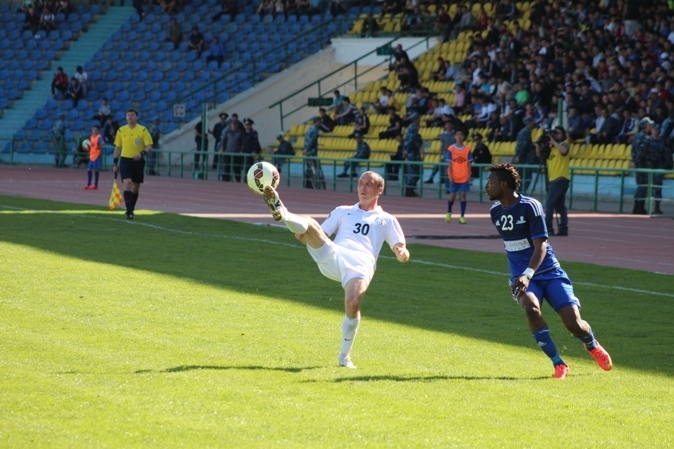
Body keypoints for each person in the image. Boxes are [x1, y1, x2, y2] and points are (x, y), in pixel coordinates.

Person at [261, 171, 410, 368]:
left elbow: (400, 247)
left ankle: (344, 357)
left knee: (353, 303)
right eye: (360, 183)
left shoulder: (387, 219)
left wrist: (402, 253)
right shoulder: (343, 211)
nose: (363, 187)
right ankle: (282, 211)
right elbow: (319, 235)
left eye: (369, 184)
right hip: (335, 254)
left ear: (379, 189)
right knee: (310, 223)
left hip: (361, 265)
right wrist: (305, 235)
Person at [485, 162, 613, 379]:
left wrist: (527, 274)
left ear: (504, 185)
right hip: (522, 278)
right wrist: (522, 276)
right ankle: (558, 364)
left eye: (490, 182)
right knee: (532, 310)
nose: (486, 186)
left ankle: (591, 344)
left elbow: (541, 246)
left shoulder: (530, 206)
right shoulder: (495, 212)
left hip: (549, 273)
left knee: (574, 324)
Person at [112, 109, 154, 220]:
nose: (130, 117)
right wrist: (115, 163)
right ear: (126, 117)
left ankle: (131, 208)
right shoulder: (121, 130)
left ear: (137, 117)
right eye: (128, 115)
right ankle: (129, 211)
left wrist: (141, 153)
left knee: (135, 188)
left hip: (138, 161)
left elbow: (149, 146)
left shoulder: (143, 130)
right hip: (125, 160)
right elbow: (117, 148)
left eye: (132, 115)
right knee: (127, 183)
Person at [535, 126, 569, 236]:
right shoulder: (552, 148)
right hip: (554, 179)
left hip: (560, 178)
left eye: (558, 133)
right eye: (554, 133)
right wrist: (538, 144)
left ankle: (548, 227)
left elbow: (564, 151)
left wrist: (553, 141)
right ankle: (563, 229)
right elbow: (539, 155)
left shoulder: (564, 144)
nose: (555, 135)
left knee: (549, 203)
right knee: (560, 206)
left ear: (563, 135)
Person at [445, 129, 472, 224]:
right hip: (454, 177)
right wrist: (450, 175)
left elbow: (469, 164)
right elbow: (449, 164)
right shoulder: (451, 149)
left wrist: (469, 175)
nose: (459, 136)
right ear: (455, 136)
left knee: (463, 195)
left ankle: (462, 216)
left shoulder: (467, 149)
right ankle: (449, 211)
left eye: (461, 134)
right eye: (457, 134)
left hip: (464, 177)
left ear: (464, 137)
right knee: (452, 196)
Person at [631, 117, 654, 215]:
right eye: (649, 125)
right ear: (645, 126)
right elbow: (641, 152)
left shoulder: (637, 136)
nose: (651, 126)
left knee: (641, 186)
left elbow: (633, 151)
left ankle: (637, 208)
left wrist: (634, 161)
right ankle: (639, 208)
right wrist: (637, 161)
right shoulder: (645, 137)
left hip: (639, 164)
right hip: (643, 165)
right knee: (643, 187)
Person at [512, 117, 538, 192]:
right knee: (526, 177)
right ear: (529, 122)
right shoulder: (527, 131)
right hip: (525, 158)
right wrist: (519, 156)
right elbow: (524, 145)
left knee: (521, 176)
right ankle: (522, 192)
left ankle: (520, 192)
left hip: (522, 157)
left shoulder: (522, 131)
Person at [402, 113, 424, 197]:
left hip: (410, 152)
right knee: (414, 171)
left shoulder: (409, 128)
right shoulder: (413, 128)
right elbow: (412, 140)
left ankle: (409, 189)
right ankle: (410, 190)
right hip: (413, 153)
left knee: (411, 171)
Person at [303, 116, 323, 189]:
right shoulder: (315, 130)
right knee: (313, 166)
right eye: (319, 122)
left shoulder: (310, 129)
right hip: (311, 151)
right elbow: (312, 141)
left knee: (309, 167)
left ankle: (308, 183)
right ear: (316, 122)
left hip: (308, 149)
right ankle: (312, 183)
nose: (320, 123)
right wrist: (307, 149)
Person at [83, 125, 103, 190]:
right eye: (93, 129)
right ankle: (88, 184)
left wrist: (98, 147)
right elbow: (90, 145)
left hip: (97, 156)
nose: (94, 131)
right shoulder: (91, 137)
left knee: (96, 170)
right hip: (91, 156)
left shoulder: (99, 137)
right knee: (88, 169)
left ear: (98, 131)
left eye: (95, 130)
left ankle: (95, 185)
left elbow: (102, 143)